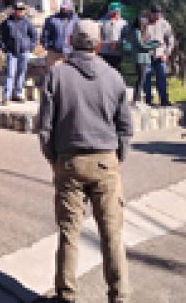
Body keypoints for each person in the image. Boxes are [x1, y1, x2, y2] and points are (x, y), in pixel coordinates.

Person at [37, 19, 133, 303]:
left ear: (71, 43)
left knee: (69, 233)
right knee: (111, 233)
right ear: (99, 45)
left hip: (69, 161)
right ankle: (119, 296)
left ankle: (66, 294)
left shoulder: (56, 76)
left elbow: (45, 128)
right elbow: (125, 128)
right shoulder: (114, 77)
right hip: (106, 162)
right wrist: (118, 158)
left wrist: (53, 159)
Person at [0, 2, 39, 104]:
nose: (20, 11)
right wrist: (4, 48)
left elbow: (34, 35)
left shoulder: (27, 22)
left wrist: (30, 47)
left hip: (24, 52)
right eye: (18, 9)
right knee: (10, 74)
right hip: (11, 52)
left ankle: (18, 94)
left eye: (22, 10)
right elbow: (0, 36)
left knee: (21, 73)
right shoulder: (7, 22)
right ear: (14, 10)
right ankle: (6, 96)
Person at [142, 4, 174, 106]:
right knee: (146, 78)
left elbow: (170, 40)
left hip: (160, 56)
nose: (156, 17)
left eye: (158, 15)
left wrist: (166, 54)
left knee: (162, 78)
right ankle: (147, 100)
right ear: (150, 13)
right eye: (154, 14)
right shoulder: (144, 23)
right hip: (147, 55)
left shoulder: (164, 24)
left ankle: (164, 100)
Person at [129, 14, 159, 107]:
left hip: (144, 59)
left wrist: (153, 42)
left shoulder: (140, 32)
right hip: (140, 59)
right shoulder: (136, 32)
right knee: (140, 79)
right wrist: (154, 46)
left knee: (142, 79)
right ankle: (136, 100)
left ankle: (137, 99)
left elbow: (144, 43)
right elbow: (141, 45)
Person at [41, 0, 78, 69]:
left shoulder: (76, 21)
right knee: (51, 73)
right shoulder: (51, 20)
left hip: (70, 53)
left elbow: (78, 36)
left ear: (71, 8)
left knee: (68, 74)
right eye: (62, 8)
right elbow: (45, 35)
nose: (64, 10)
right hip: (54, 52)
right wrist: (48, 46)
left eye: (66, 8)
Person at [99, 2, 127, 72]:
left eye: (119, 11)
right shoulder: (102, 21)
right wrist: (106, 43)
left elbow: (125, 37)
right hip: (104, 52)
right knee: (104, 72)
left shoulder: (124, 23)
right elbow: (99, 36)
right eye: (116, 11)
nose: (118, 13)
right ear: (111, 11)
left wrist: (119, 43)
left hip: (117, 53)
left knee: (116, 72)